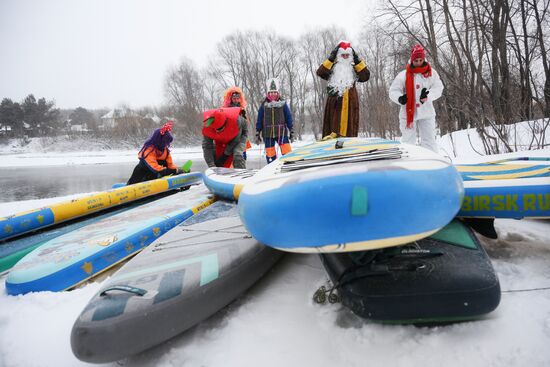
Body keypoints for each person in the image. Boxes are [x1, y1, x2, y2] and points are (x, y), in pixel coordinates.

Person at [388, 44, 443, 152]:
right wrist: (400, 98)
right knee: (408, 142)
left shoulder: (431, 73)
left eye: (420, 60)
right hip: (407, 113)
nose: (418, 62)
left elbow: (438, 88)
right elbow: (393, 91)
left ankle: (431, 164)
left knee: (429, 141)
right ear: (412, 60)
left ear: (424, 59)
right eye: (416, 60)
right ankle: (410, 165)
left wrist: (428, 95)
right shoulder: (403, 75)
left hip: (426, 112)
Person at [316, 41, 370, 139]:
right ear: (339, 56)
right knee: (332, 129)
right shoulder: (332, 68)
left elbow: (365, 76)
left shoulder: (354, 69)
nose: (345, 57)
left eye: (347, 55)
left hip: (350, 104)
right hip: (334, 104)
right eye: (343, 55)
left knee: (349, 130)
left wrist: (357, 60)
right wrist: (331, 58)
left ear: (351, 56)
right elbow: (320, 72)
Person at [255, 77, 294, 163]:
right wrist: (258, 131)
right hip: (268, 133)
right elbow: (260, 118)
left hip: (281, 132)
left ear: (277, 93)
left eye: (275, 92)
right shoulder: (264, 105)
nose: (273, 94)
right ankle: (271, 167)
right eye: (271, 92)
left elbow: (288, 117)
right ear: (268, 93)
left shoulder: (283, 104)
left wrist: (291, 129)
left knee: (287, 152)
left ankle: (289, 164)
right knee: (270, 155)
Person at [221, 86, 252, 160]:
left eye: (238, 98)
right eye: (234, 98)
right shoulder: (226, 109)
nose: (236, 100)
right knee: (230, 155)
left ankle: (243, 169)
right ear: (230, 99)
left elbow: (246, 123)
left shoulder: (242, 109)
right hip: (231, 136)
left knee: (242, 154)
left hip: (241, 135)